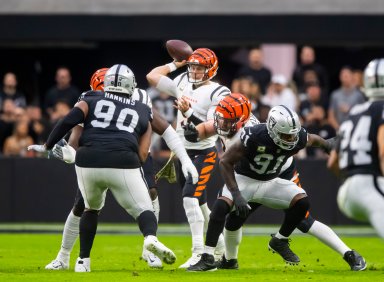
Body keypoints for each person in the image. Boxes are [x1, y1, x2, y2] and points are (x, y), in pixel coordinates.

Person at [184, 94, 366, 271]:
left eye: (228, 120)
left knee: (303, 218)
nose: (222, 124)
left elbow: (309, 139)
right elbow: (208, 130)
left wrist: (328, 145)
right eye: (224, 119)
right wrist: (192, 132)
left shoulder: (256, 132)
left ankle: (344, 252)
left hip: (280, 172)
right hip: (248, 175)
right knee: (233, 217)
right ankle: (229, 260)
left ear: (241, 119)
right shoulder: (237, 125)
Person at [42, 67, 198, 270]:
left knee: (93, 206)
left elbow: (69, 126)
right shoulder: (124, 101)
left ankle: (83, 261)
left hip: (93, 157)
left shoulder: (90, 100)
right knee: (137, 207)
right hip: (126, 156)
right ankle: (63, 256)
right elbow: (165, 130)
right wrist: (184, 159)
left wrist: (51, 146)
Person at [146, 48, 229, 268]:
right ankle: (220, 246)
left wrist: (189, 113)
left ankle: (199, 252)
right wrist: (177, 64)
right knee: (200, 205)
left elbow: (213, 127)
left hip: (203, 152)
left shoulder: (219, 92)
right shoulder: (183, 78)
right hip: (182, 152)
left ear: (210, 69)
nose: (194, 71)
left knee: (189, 199)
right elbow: (152, 76)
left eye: (199, 67)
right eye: (192, 66)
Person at [327, 58, 384, 240]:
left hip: (346, 192)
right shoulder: (381, 110)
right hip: (370, 183)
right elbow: (383, 153)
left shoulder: (354, 112)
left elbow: (332, 162)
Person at [327, 66, 365, 131]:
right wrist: (339, 129)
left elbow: (364, 113)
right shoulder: (335, 95)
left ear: (352, 76)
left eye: (347, 75)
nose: (345, 76)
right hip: (338, 130)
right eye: (343, 74)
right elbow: (331, 116)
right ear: (340, 77)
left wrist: (350, 110)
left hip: (355, 129)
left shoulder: (359, 94)